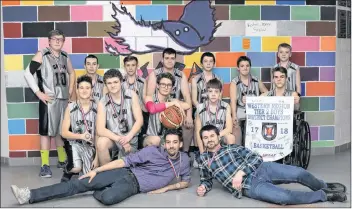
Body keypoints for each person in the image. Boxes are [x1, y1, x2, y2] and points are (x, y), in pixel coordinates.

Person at [10, 129, 191, 206]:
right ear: (164, 144)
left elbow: (186, 182)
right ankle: (29, 195)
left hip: (133, 186)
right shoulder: (152, 151)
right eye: (168, 142)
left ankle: (100, 187)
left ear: (181, 143)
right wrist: (96, 170)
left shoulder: (184, 161)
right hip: (125, 173)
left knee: (108, 198)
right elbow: (122, 162)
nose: (171, 146)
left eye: (175, 142)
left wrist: (166, 188)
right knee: (80, 183)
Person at [196, 125, 347, 205]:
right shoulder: (203, 159)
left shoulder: (231, 148)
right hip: (250, 186)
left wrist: (240, 172)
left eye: (212, 136)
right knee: (284, 197)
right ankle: (324, 195)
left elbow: (256, 158)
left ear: (217, 136)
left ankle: (322, 185)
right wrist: (203, 187)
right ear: (202, 140)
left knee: (299, 173)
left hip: (262, 169)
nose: (209, 139)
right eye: (205, 137)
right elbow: (206, 180)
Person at [24, 29, 76, 177]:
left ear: (63, 41)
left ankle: (61, 160)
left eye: (60, 39)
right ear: (49, 41)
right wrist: (38, 93)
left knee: (61, 130)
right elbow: (27, 72)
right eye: (54, 39)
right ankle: (45, 165)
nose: (57, 41)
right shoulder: (43, 54)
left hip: (63, 99)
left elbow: (72, 73)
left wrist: (71, 90)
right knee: (46, 132)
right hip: (50, 100)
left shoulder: (65, 56)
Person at [146, 48, 194, 153]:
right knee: (156, 139)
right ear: (162, 60)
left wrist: (189, 116)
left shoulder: (181, 75)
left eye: (172, 58)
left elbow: (187, 97)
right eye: (167, 58)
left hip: (175, 109)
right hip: (159, 108)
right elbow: (149, 97)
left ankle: (185, 153)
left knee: (188, 124)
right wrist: (171, 103)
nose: (169, 60)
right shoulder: (155, 74)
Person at [96, 69, 143, 165]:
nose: (112, 85)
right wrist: (120, 140)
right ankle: (107, 173)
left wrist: (127, 138)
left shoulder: (131, 94)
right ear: (105, 85)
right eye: (109, 83)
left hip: (131, 139)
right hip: (114, 139)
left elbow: (139, 120)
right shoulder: (102, 102)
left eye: (115, 82)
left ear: (121, 82)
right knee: (101, 142)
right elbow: (100, 129)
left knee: (127, 169)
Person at [60, 76, 99, 182]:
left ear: (92, 90)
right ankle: (69, 169)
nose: (84, 90)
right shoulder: (70, 107)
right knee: (76, 168)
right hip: (75, 144)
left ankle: (81, 164)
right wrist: (81, 136)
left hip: (91, 146)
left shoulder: (98, 107)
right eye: (81, 88)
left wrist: (97, 157)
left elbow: (100, 134)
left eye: (87, 87)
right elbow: (63, 133)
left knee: (87, 178)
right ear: (77, 90)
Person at [191, 52, 222, 167]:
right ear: (201, 63)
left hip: (215, 109)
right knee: (197, 121)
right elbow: (194, 99)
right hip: (201, 109)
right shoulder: (195, 79)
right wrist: (203, 109)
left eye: (210, 61)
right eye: (205, 61)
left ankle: (216, 154)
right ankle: (199, 153)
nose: (208, 64)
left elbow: (220, 98)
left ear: (214, 64)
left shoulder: (218, 79)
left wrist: (213, 110)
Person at [143, 72, 191, 147]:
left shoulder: (172, 101)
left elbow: (188, 105)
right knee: (156, 140)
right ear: (157, 86)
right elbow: (152, 109)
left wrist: (177, 103)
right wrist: (169, 105)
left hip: (165, 139)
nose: (166, 87)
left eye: (169, 85)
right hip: (149, 138)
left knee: (173, 141)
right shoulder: (150, 98)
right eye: (163, 84)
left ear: (172, 88)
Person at [230, 56, 268, 145]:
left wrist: (254, 99)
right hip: (241, 108)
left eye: (247, 65)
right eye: (242, 66)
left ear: (250, 67)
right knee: (235, 125)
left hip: (255, 110)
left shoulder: (256, 80)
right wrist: (234, 116)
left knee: (251, 124)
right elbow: (233, 100)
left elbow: (267, 93)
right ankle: (238, 149)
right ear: (238, 68)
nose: (245, 68)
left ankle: (251, 147)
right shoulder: (234, 82)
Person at [195, 78, 235, 154]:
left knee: (231, 137)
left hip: (220, 136)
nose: (213, 94)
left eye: (216, 91)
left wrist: (216, 136)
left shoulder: (226, 106)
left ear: (220, 93)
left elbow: (229, 129)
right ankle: (204, 155)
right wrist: (202, 153)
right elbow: (198, 131)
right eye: (210, 91)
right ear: (206, 93)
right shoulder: (200, 107)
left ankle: (229, 158)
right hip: (206, 137)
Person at [121, 56, 148, 149]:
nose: (130, 68)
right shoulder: (120, 82)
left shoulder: (143, 81)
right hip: (123, 113)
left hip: (138, 112)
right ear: (124, 66)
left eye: (133, 65)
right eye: (128, 65)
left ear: (137, 66)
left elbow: (144, 99)